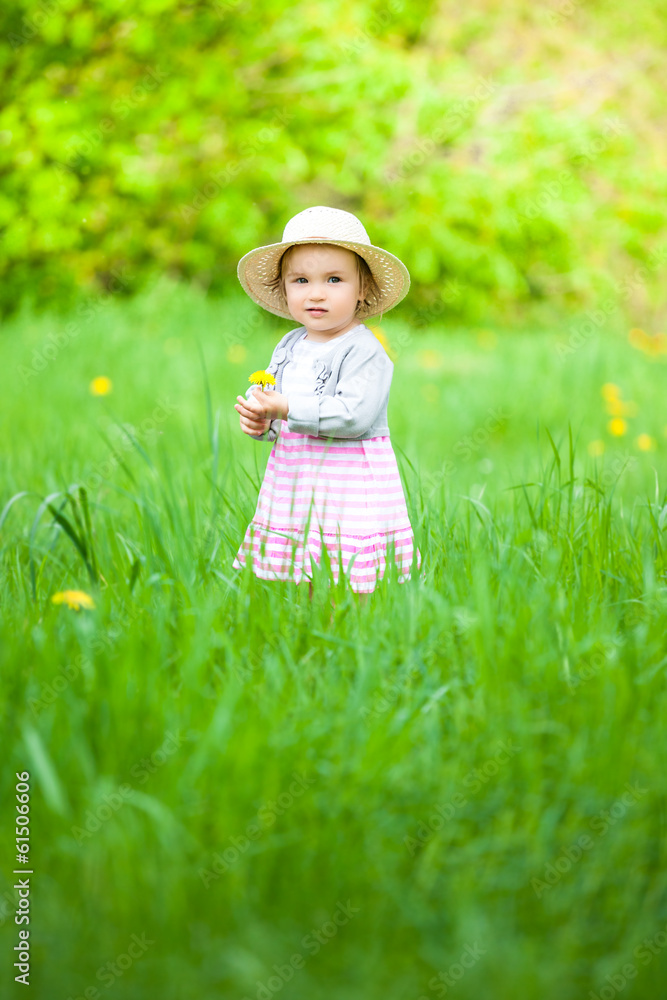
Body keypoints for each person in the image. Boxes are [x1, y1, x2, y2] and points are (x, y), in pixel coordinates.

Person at [231, 205, 422, 611]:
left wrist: (285, 407)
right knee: (307, 556)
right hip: (298, 473)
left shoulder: (364, 350)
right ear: (284, 289)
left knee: (348, 562)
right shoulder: (289, 345)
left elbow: (354, 416)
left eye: (334, 279)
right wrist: (262, 420)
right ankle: (313, 628)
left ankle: (355, 628)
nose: (315, 292)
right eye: (301, 280)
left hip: (347, 474)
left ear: (362, 289)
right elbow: (281, 411)